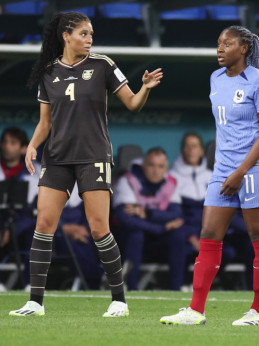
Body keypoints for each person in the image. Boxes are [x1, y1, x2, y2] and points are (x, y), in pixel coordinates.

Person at [10, 11, 163, 317]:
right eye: (83, 33)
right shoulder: (48, 71)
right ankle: (35, 302)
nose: (90, 39)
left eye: (91, 34)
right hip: (56, 158)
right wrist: (32, 147)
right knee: (43, 225)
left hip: (94, 156)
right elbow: (45, 122)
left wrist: (144, 87)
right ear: (66, 36)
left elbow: (132, 103)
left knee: (98, 229)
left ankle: (119, 300)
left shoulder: (103, 65)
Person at [160, 25, 259, 326]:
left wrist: (241, 171)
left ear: (244, 49)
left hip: (255, 167)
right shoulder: (214, 78)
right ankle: (196, 310)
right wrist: (227, 168)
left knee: (258, 236)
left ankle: (258, 311)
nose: (220, 48)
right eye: (218, 43)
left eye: (227, 43)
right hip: (224, 169)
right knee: (209, 234)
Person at [112, 148, 186, 291]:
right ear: (144, 165)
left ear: (166, 168)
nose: (155, 170)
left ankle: (176, 289)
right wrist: (160, 227)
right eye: (152, 165)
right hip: (126, 240)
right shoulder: (127, 181)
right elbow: (125, 218)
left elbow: (176, 214)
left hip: (155, 239)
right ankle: (130, 288)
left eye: (160, 166)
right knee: (136, 233)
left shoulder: (170, 183)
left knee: (178, 233)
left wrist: (147, 213)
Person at [170, 133, 236, 278]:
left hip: (208, 234)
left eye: (194, 146)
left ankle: (206, 283)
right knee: (182, 248)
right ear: (182, 150)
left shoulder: (213, 176)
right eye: (187, 146)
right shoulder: (172, 177)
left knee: (228, 252)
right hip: (186, 234)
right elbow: (175, 214)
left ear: (201, 150)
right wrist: (192, 238)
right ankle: (183, 285)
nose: (191, 150)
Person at [0, 128, 40, 290]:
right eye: (5, 142)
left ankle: (30, 283)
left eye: (13, 143)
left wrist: (11, 228)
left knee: (35, 231)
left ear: (24, 148)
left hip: (22, 222)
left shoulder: (34, 170)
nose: (6, 146)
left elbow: (31, 210)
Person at [53, 183, 103, 289]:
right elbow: (37, 215)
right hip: (57, 236)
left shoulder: (83, 183)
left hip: (80, 233)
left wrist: (83, 229)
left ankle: (100, 281)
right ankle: (106, 276)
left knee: (87, 244)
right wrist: (63, 228)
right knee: (73, 249)